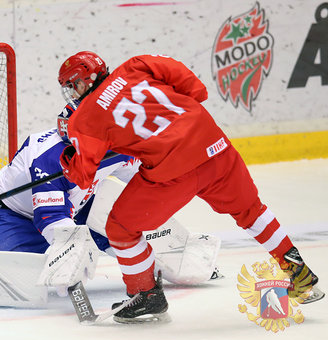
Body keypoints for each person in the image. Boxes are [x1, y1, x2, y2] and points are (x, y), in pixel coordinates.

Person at [56, 51, 324, 323]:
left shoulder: (85, 118)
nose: (72, 92)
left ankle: (146, 295)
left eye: (72, 85)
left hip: (173, 172)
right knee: (252, 212)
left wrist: (68, 158)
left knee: (120, 228)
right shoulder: (137, 64)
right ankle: (298, 272)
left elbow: (83, 176)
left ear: (84, 80)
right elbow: (196, 88)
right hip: (214, 147)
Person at [0, 103, 222, 290]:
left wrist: (184, 179)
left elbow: (142, 175)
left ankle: (181, 256)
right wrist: (72, 251)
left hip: (81, 205)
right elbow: (52, 219)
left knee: (126, 220)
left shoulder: (112, 144)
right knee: (15, 276)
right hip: (12, 214)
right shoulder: (50, 159)